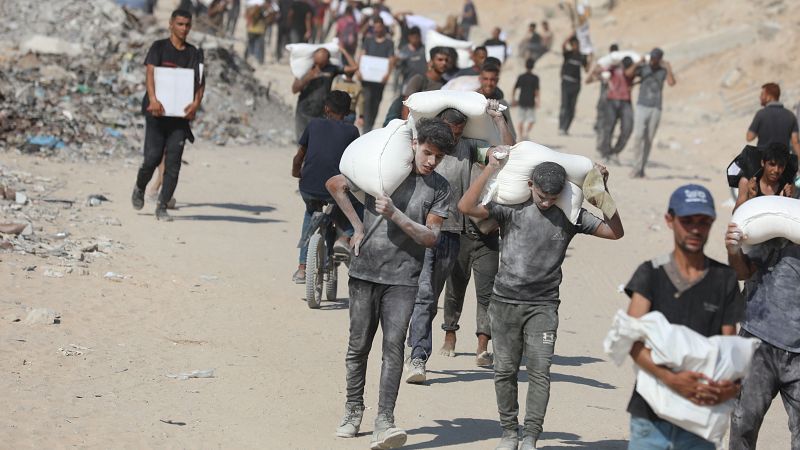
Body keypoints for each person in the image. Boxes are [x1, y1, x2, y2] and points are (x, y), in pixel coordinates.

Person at [459, 156, 624, 450]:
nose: (546, 203)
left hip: (543, 307)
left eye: (552, 198)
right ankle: (509, 432)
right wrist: (490, 169)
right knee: (505, 371)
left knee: (539, 372)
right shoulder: (512, 209)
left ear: (562, 194)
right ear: (529, 185)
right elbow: (466, 207)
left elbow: (615, 232)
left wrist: (602, 189)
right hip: (504, 302)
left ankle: (531, 436)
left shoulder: (570, 216)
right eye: (540, 196)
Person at [327, 118, 454, 450]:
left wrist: (395, 214)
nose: (431, 161)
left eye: (438, 158)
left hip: (404, 280)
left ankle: (385, 421)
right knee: (358, 348)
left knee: (393, 349)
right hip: (364, 272)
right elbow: (335, 184)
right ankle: (352, 411)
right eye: (427, 152)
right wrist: (356, 225)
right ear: (414, 144)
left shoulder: (440, 188)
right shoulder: (383, 169)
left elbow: (431, 238)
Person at [624, 184, 743, 450]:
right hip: (651, 418)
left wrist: (728, 387)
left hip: (698, 421)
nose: (695, 229)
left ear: (712, 223)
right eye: (687, 221)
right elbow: (631, 341)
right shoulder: (650, 274)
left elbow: (729, 348)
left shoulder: (724, 279)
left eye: (703, 222)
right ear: (670, 220)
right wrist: (671, 379)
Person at [405, 101, 515, 384]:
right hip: (425, 229)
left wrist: (499, 120)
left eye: (458, 132)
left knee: (443, 293)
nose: (453, 138)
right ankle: (418, 355)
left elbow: (505, 153)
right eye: (450, 131)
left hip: (454, 232)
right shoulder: (424, 149)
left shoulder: (470, 148)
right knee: (426, 295)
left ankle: (433, 343)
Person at [726, 209, 800, 449]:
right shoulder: (778, 218)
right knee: (743, 427)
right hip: (759, 342)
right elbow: (742, 271)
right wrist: (733, 249)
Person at [131, 9, 205, 222]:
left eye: (187, 25)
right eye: (180, 24)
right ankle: (140, 187)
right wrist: (153, 99)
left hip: (179, 118)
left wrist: (195, 104)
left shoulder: (194, 53)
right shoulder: (159, 47)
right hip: (156, 113)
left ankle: (162, 206)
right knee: (152, 157)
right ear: (171, 24)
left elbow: (200, 82)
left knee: (173, 162)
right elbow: (151, 73)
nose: (184, 29)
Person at [291, 91, 361, 282]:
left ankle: (302, 268)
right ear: (347, 112)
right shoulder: (352, 131)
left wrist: (297, 172)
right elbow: (353, 162)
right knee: (358, 209)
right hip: (334, 190)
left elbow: (300, 155)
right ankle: (344, 238)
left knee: (309, 212)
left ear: (326, 108)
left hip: (309, 186)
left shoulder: (313, 124)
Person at [628, 48, 676, 178]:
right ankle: (635, 167)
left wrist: (669, 68)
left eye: (656, 58)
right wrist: (638, 62)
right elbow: (628, 74)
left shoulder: (663, 71)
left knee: (648, 139)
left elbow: (671, 83)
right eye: (652, 57)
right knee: (638, 136)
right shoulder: (644, 68)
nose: (653, 60)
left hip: (656, 108)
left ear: (660, 59)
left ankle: (642, 168)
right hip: (641, 106)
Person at [291, 46, 357, 141]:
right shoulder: (305, 67)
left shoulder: (331, 69)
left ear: (327, 61)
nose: (318, 66)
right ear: (313, 58)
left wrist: (344, 50)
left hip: (321, 111)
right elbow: (294, 89)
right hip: (303, 111)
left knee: (317, 140)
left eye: (321, 64)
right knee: (301, 141)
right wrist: (308, 77)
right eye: (316, 63)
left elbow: (354, 68)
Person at [358, 18, 395, 133]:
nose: (377, 29)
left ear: (383, 27)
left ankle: (370, 126)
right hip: (367, 79)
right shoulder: (368, 40)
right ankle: (366, 128)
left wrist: (387, 75)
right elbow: (362, 55)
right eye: (375, 27)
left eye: (379, 27)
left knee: (376, 102)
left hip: (380, 80)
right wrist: (359, 71)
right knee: (367, 101)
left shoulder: (389, 43)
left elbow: (391, 59)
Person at [734, 142, 796, 210]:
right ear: (763, 163)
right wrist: (751, 197)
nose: (776, 170)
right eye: (772, 164)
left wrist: (786, 200)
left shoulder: (787, 188)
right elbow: (736, 214)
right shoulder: (746, 182)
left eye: (781, 166)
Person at [746, 82, 800, 158]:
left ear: (769, 97)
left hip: (764, 161)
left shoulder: (761, 114)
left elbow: (749, 137)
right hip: (783, 162)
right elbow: (795, 142)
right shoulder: (790, 115)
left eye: (762, 94)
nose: (760, 97)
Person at [398, 46, 449, 120]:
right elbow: (407, 105)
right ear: (431, 62)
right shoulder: (419, 79)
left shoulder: (446, 84)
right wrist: (408, 126)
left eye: (446, 60)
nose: (444, 63)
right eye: (440, 60)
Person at [599, 56, 634, 161]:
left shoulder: (632, 71)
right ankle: (606, 152)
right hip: (612, 100)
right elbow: (601, 71)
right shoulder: (613, 69)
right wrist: (613, 63)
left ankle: (615, 151)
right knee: (608, 128)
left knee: (628, 128)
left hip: (626, 101)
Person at [559, 34, 586, 135]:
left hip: (576, 84)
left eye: (577, 45)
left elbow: (586, 69)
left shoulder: (581, 56)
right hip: (566, 83)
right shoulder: (568, 54)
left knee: (572, 107)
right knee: (564, 105)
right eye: (574, 45)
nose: (576, 46)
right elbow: (563, 45)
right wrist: (571, 34)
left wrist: (590, 56)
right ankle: (561, 127)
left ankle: (566, 128)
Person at [513, 58, 540, 140]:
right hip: (531, 101)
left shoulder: (521, 77)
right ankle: (526, 133)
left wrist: (513, 98)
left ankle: (521, 136)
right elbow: (536, 90)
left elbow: (515, 88)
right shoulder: (535, 78)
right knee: (532, 120)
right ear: (533, 66)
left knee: (521, 120)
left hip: (522, 100)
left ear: (525, 66)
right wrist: (538, 100)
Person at [244, 0, 272, 65]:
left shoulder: (263, 9)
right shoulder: (257, 7)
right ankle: (249, 58)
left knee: (257, 45)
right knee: (251, 44)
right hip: (254, 29)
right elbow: (248, 16)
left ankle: (258, 60)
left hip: (258, 29)